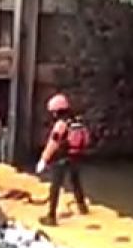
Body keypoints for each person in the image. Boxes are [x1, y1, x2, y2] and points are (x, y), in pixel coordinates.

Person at [35, 93, 91, 225]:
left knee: (55, 186)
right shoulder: (77, 121)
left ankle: (51, 217)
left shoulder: (61, 124)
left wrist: (43, 159)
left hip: (62, 158)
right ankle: (82, 206)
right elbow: (87, 139)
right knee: (75, 181)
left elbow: (52, 143)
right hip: (76, 156)